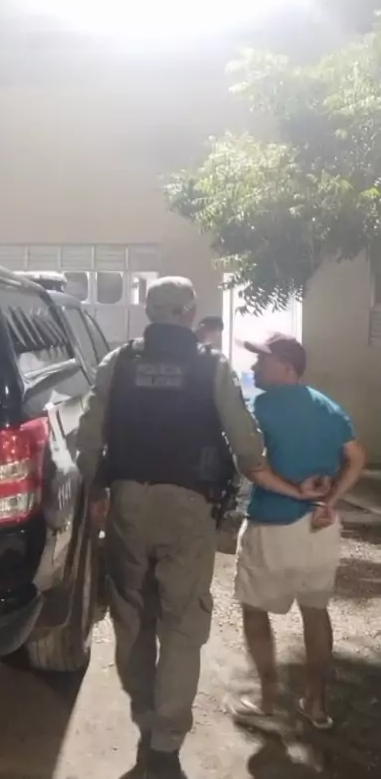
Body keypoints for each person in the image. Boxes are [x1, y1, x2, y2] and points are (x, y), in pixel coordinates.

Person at [77, 279, 323, 779]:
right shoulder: (212, 366)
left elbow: (88, 436)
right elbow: (247, 448)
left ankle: (145, 715)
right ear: (190, 313)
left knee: (132, 616)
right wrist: (288, 483)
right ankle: (165, 745)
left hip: (127, 501)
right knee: (183, 623)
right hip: (189, 508)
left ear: (150, 311)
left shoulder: (117, 362)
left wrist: (96, 492)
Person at [234, 333, 366, 729]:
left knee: (255, 610)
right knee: (315, 612)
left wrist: (295, 492)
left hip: (272, 525)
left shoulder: (260, 407)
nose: (255, 367)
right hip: (320, 527)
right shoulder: (328, 406)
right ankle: (317, 704)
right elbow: (357, 457)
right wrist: (330, 500)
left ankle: (268, 698)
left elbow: (253, 467)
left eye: (263, 361)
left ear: (287, 367)